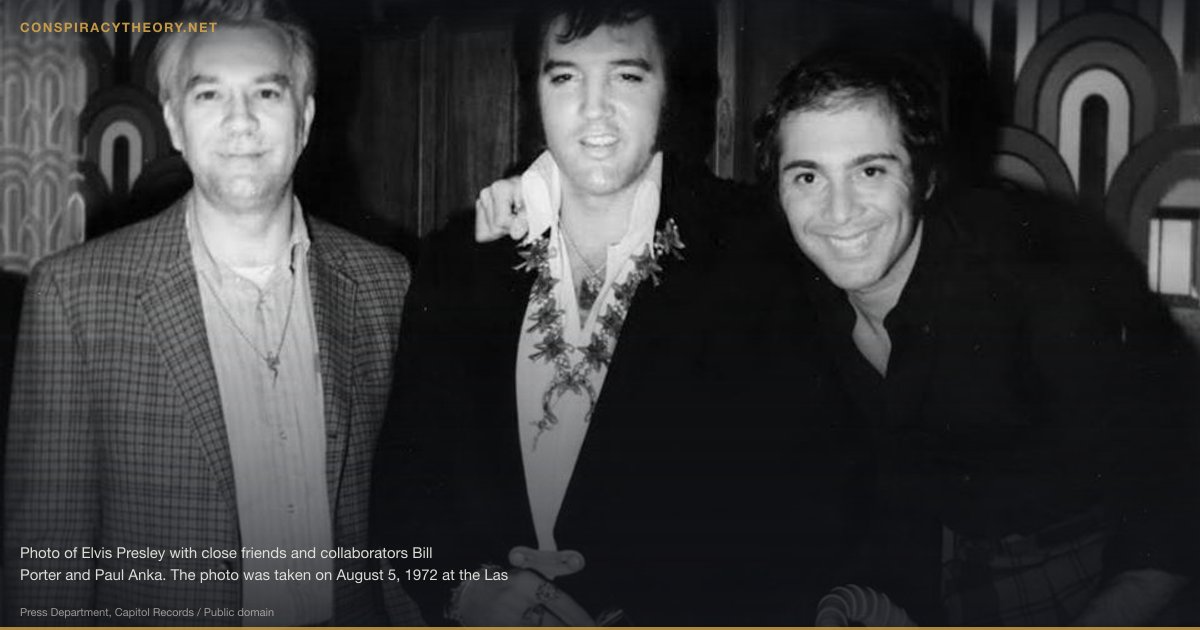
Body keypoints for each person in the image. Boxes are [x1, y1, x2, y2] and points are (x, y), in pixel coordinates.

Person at [371, 0, 855, 624]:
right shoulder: (459, 261)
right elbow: (405, 488)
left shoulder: (756, 251)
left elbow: (810, 500)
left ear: (668, 89)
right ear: (535, 93)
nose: (594, 110)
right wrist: (468, 589)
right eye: (566, 76)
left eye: (627, 76)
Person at [750, 47, 1200, 625]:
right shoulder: (796, 291)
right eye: (808, 176)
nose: (839, 212)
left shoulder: (1030, 290)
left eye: (871, 170)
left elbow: (1173, 493)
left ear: (923, 178)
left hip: (1096, 568)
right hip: (943, 567)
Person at [4, 0, 419, 625]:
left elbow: (398, 531)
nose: (241, 122)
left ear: (304, 119)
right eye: (209, 97)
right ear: (174, 122)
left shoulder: (385, 284)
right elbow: (47, 562)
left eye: (267, 94)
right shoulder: (75, 297)